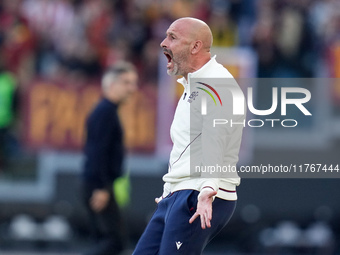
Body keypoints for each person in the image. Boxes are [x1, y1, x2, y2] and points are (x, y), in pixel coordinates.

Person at [133, 17, 245, 255]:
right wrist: (169, 190)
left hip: (199, 194)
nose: (163, 43)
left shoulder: (216, 83)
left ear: (195, 47)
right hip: (180, 192)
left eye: (172, 37)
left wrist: (207, 189)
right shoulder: (194, 84)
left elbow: (217, 139)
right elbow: (188, 145)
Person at [82, 61, 138, 255]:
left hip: (99, 184)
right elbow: (98, 152)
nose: (132, 88)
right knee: (114, 242)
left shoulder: (106, 111)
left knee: (104, 240)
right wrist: (102, 187)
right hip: (98, 186)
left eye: (134, 83)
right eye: (127, 82)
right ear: (112, 84)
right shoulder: (105, 113)